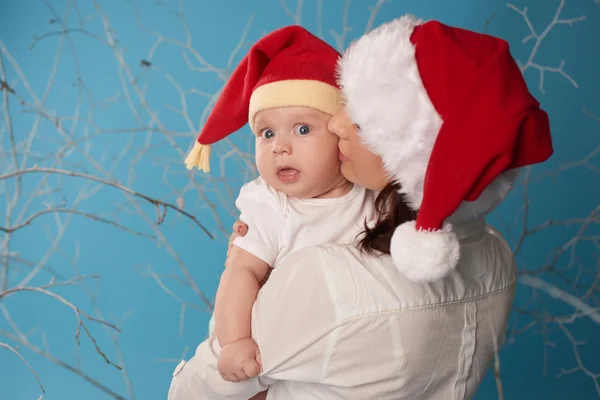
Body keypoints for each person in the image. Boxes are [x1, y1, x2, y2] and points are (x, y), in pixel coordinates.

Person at [169, 15, 553, 399]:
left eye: (360, 115)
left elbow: (194, 392)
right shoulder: (497, 257)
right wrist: (239, 318)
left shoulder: (327, 277)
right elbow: (241, 277)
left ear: (405, 147)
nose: (338, 124)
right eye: (266, 133)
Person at [184, 25, 377, 383]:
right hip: (266, 344)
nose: (279, 147)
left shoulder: (368, 194)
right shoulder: (269, 206)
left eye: (302, 129)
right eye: (266, 133)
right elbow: (242, 273)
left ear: (343, 132)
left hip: (343, 342)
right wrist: (235, 341)